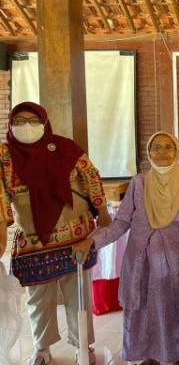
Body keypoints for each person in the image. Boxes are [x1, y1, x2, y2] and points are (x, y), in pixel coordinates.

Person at [73, 132, 179, 365]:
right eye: (156, 147)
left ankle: (174, 356)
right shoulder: (139, 183)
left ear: (177, 152)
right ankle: (148, 356)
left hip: (176, 262)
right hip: (141, 260)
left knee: (175, 310)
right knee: (141, 310)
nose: (162, 152)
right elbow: (122, 221)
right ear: (148, 152)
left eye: (168, 146)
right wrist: (93, 241)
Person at [0, 101, 112, 365]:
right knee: (38, 298)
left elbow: (91, 177)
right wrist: (2, 232)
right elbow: (1, 197)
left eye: (33, 120)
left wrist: (102, 210)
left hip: (75, 235)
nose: (27, 126)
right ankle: (42, 348)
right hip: (33, 240)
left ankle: (83, 346)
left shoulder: (65, 147)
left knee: (78, 296)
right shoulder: (5, 156)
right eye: (19, 121)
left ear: (44, 123)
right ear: (10, 125)